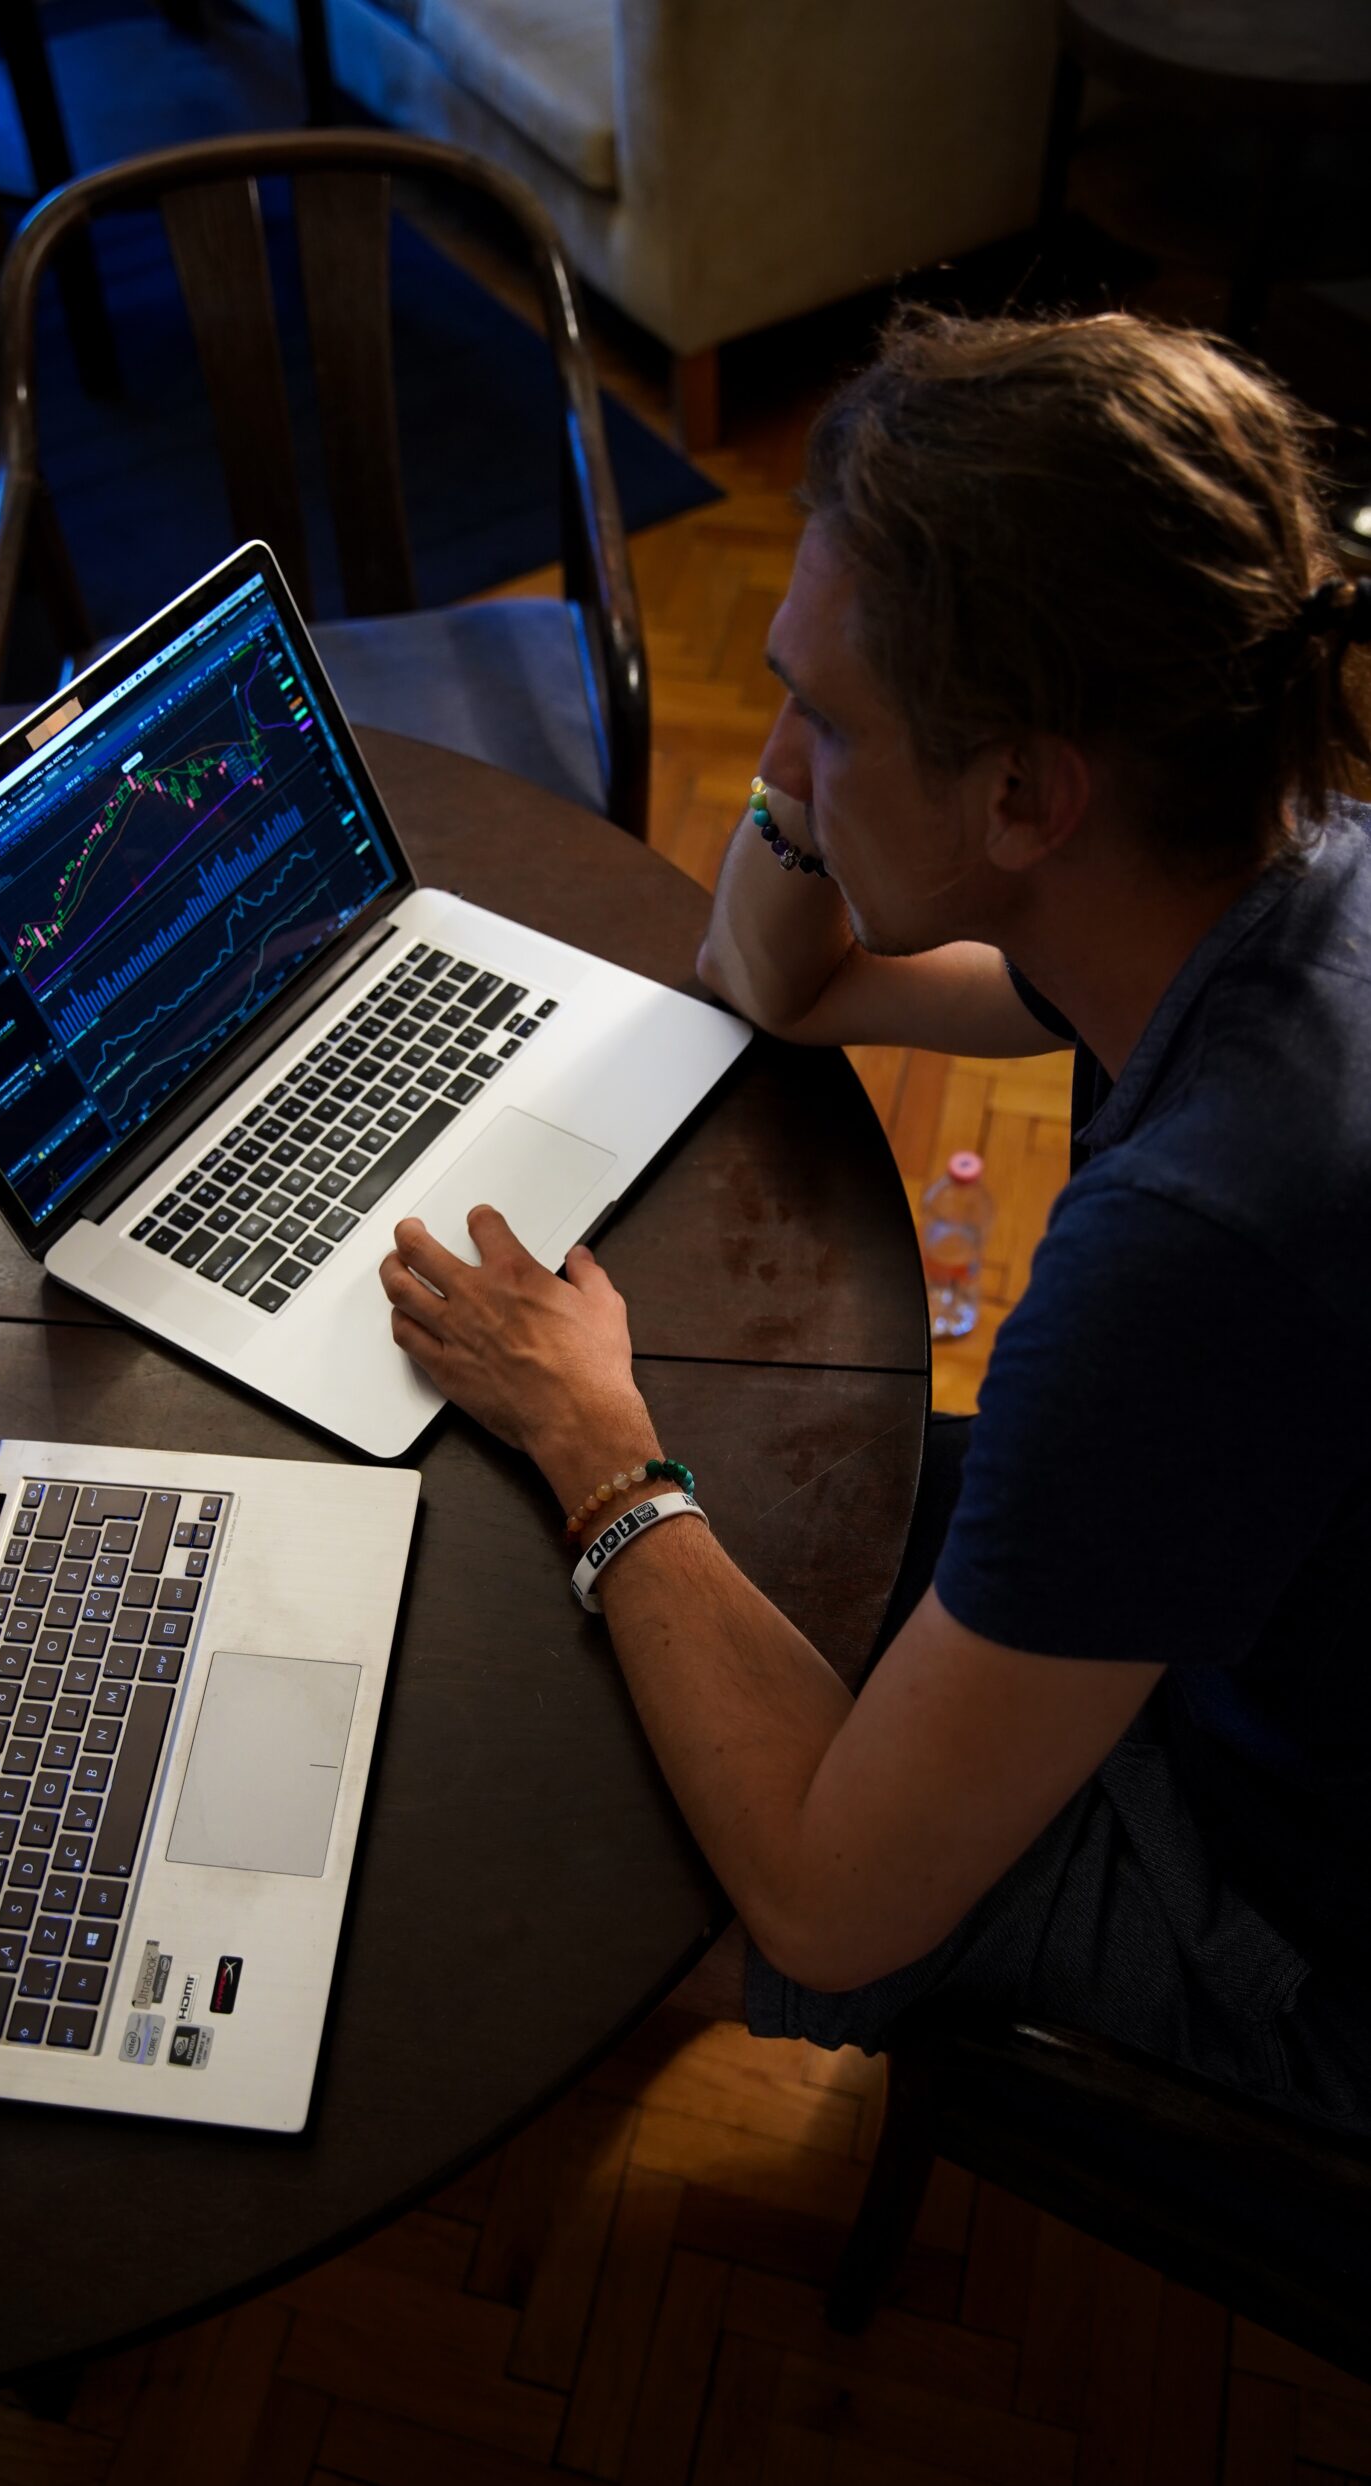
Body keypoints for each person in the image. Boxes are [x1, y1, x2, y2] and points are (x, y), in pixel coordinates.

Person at [375, 307, 1371, 2125]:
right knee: (745, 1514)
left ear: (1022, 794)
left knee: (607, 1799)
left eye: (823, 719)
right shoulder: (1268, 877)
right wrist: (823, 731)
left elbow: (834, 1904)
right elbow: (778, 982)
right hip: (1276, 1624)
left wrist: (598, 1444)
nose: (780, 755)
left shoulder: (1196, 1249)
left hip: (1301, 1936)